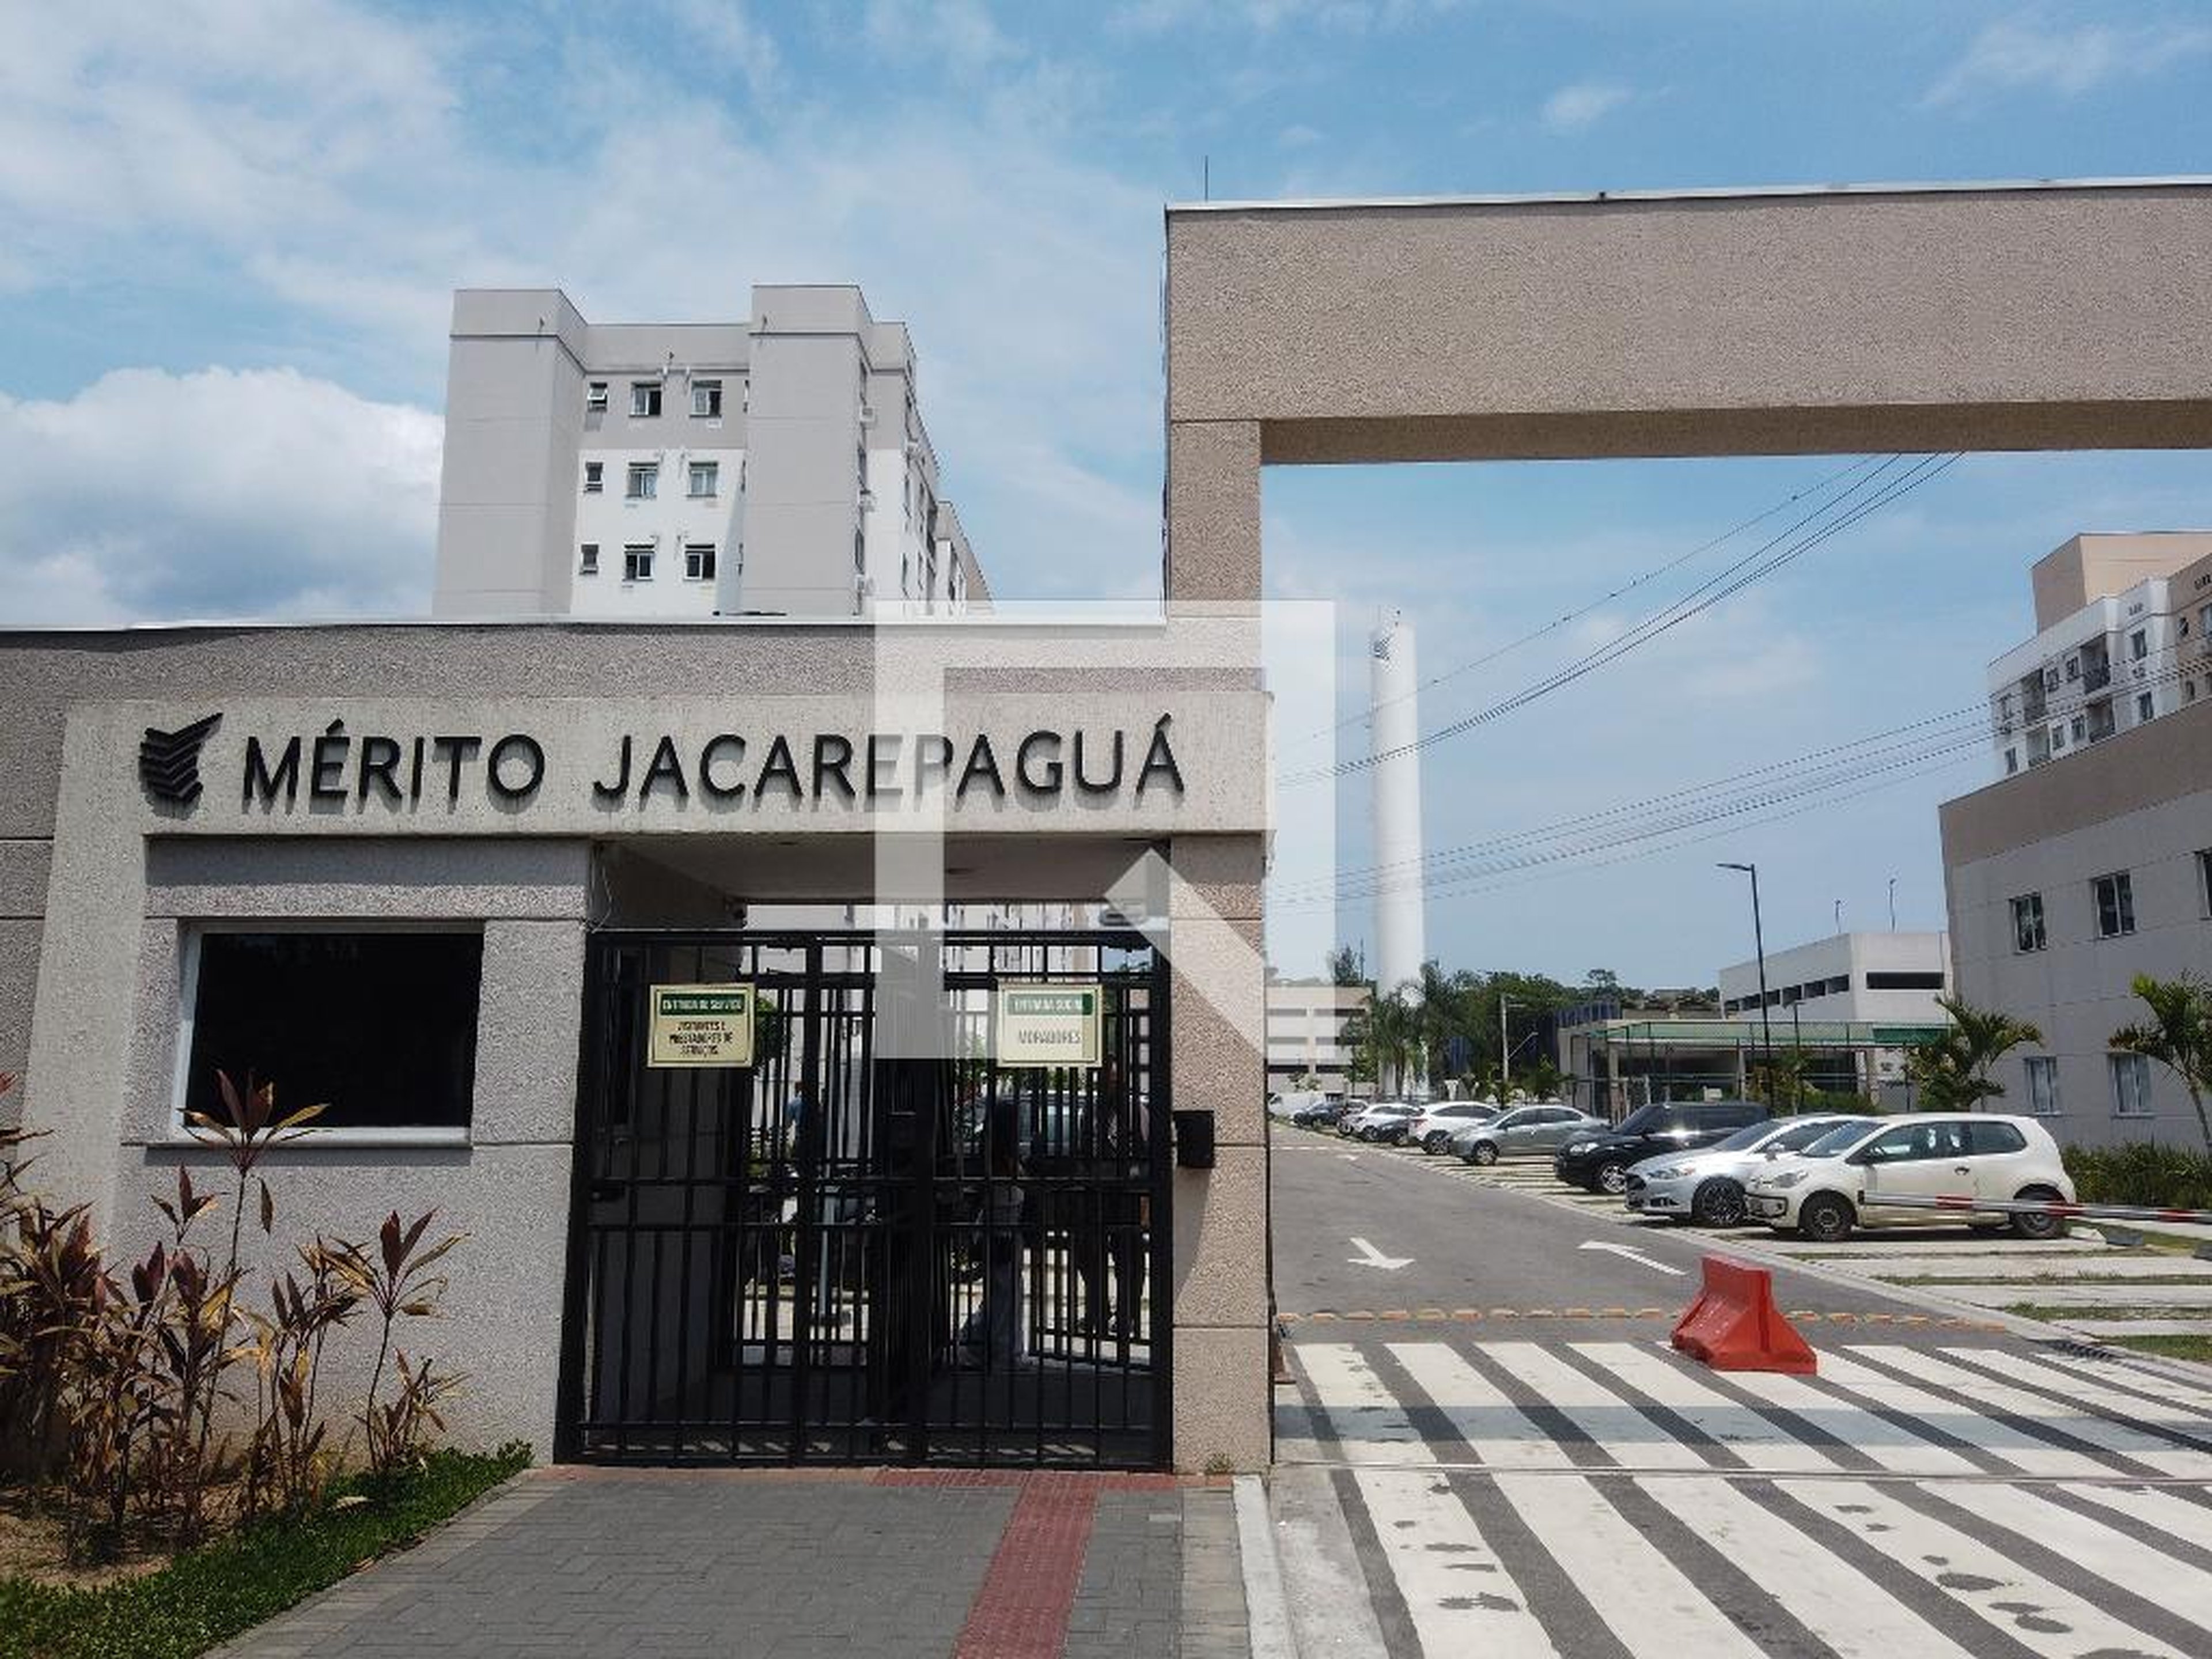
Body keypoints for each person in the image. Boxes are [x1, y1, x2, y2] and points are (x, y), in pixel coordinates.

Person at [956, 1090, 1025, 1367]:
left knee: (1000, 1292)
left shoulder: (991, 1150)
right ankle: (1002, 1352)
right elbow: (1016, 1184)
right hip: (1003, 1231)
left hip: (997, 1229)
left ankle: (977, 1342)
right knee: (1005, 1293)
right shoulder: (1003, 1157)